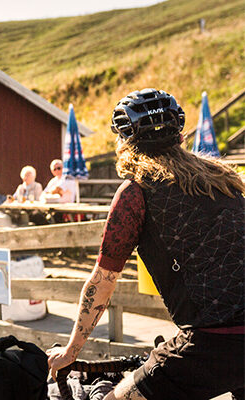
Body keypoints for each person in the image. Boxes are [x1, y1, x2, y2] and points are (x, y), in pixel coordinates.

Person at [47, 88, 244, 400]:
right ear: (180, 135)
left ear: (125, 142)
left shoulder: (136, 193)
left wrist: (71, 351)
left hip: (210, 341)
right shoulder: (224, 180)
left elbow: (103, 280)